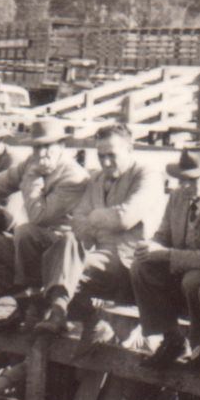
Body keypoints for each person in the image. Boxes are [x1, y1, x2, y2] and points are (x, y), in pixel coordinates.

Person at [40, 122, 162, 335]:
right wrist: (100, 221)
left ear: (129, 149)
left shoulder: (146, 175)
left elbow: (124, 218)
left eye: (112, 155)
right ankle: (71, 315)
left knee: (63, 266)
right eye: (100, 155)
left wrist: (94, 217)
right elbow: (77, 221)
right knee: (66, 242)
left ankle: (74, 316)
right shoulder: (96, 178)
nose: (105, 162)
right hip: (98, 255)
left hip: (129, 260)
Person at [0, 117, 89, 315]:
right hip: (32, 248)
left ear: (62, 145)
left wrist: (32, 177)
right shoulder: (32, 164)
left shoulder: (73, 176)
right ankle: (22, 306)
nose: (41, 153)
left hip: (61, 251)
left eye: (47, 146)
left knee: (26, 231)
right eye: (36, 147)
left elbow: (39, 217)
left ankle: (37, 307)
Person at [129, 144, 200, 365]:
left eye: (192, 180)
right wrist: (150, 246)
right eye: (181, 179)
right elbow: (164, 234)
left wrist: (165, 254)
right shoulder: (177, 196)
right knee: (141, 266)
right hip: (181, 267)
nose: (185, 185)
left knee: (192, 280)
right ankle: (172, 339)